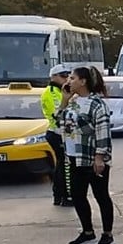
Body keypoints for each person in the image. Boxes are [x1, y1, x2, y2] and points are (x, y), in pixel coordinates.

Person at [57, 66, 115, 244]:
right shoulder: (72, 101)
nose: (68, 81)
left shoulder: (97, 104)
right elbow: (59, 122)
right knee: (77, 195)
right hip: (74, 156)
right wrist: (64, 101)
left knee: (101, 196)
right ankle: (87, 232)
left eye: (72, 78)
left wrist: (99, 157)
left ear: (83, 81)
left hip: (91, 157)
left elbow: (102, 132)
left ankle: (107, 234)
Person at [41, 65, 72, 206]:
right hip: (57, 133)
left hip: (60, 132)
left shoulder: (60, 91)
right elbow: (58, 114)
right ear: (53, 77)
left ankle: (59, 196)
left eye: (68, 76)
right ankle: (64, 196)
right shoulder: (52, 92)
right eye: (63, 76)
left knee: (62, 165)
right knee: (64, 166)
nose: (66, 79)